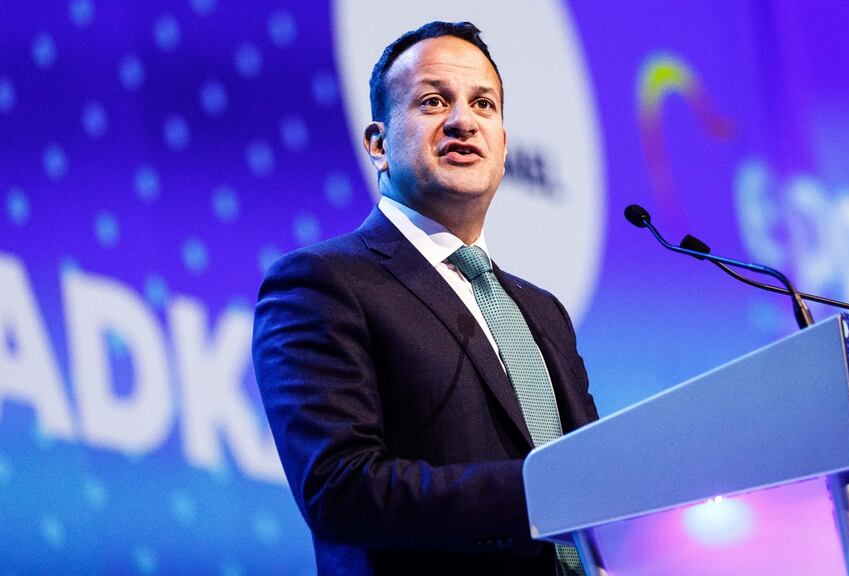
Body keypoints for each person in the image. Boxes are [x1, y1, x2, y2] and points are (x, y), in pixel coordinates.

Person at [252, 21, 598, 575]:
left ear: (504, 146)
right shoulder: (321, 285)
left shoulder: (542, 312)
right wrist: (540, 487)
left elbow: (593, 477)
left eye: (484, 105)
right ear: (379, 144)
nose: (463, 121)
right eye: (434, 101)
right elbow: (340, 489)